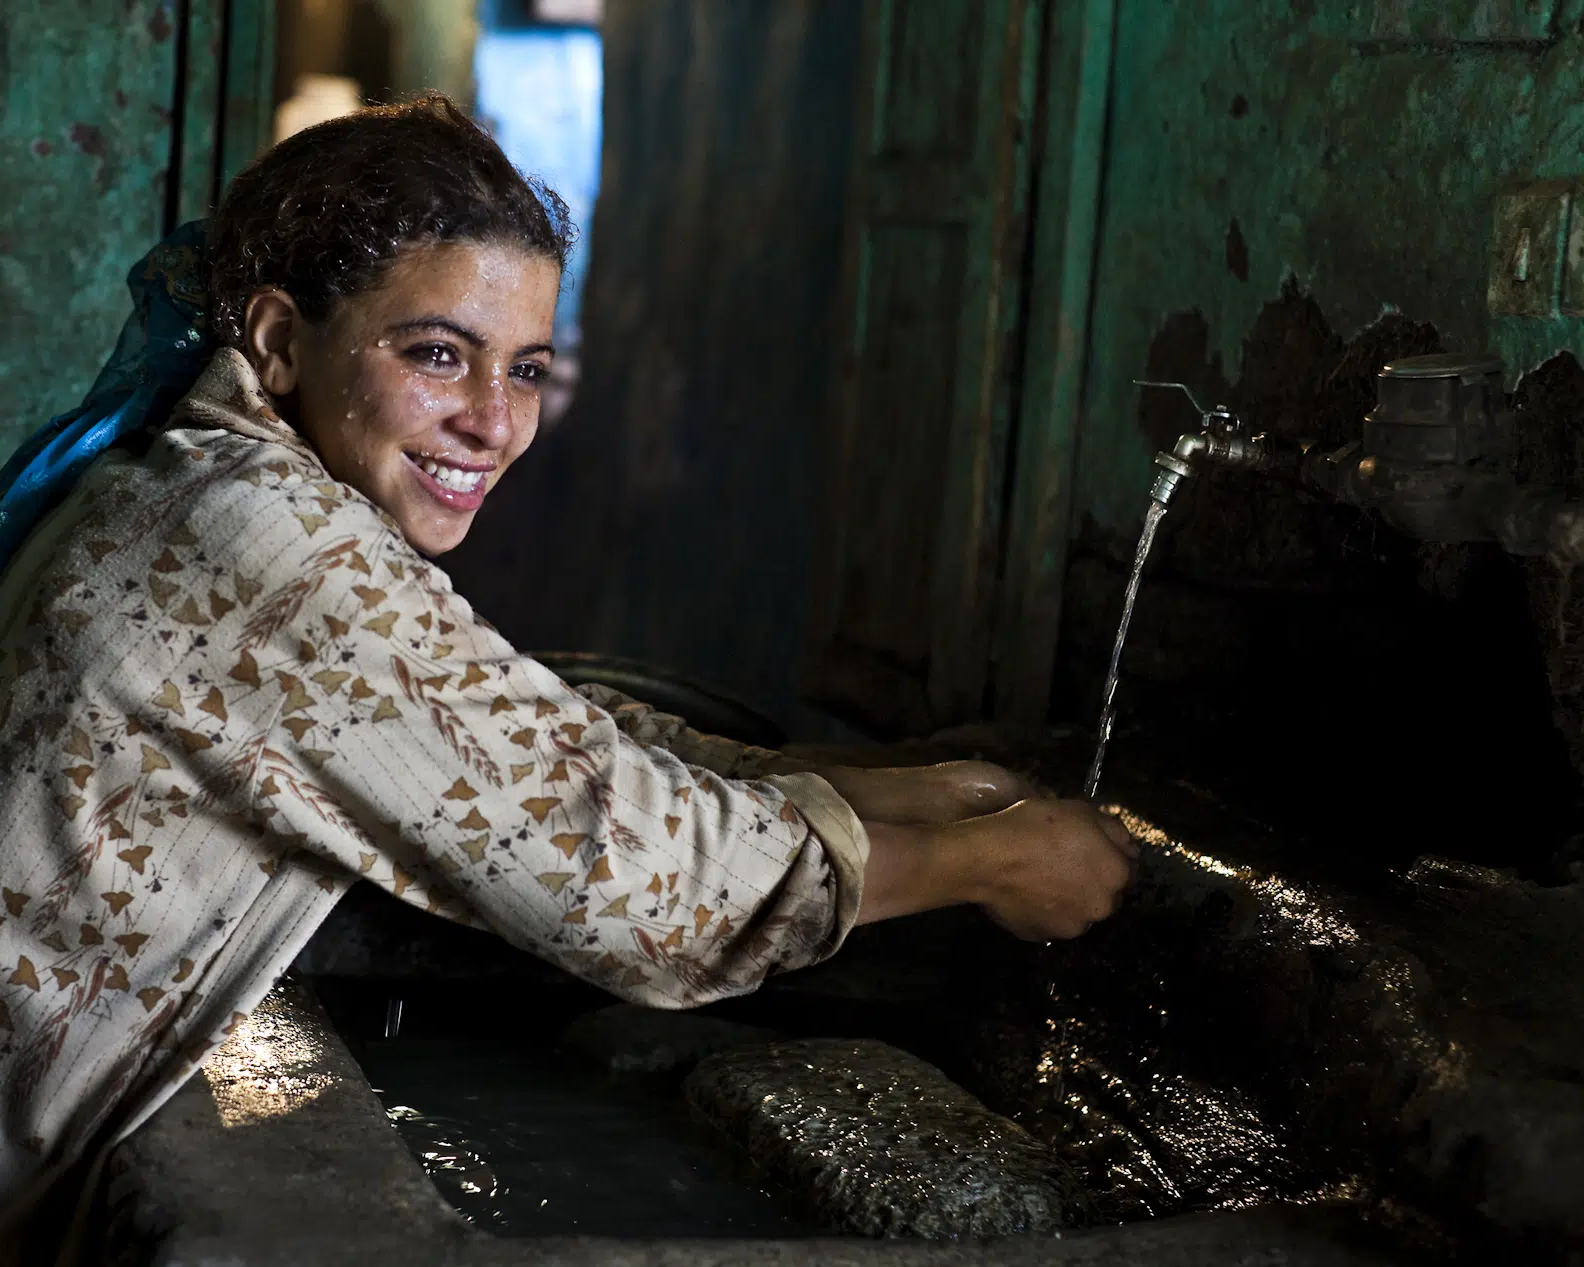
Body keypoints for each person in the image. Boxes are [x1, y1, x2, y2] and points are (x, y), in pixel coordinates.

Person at [0, 96, 1135, 1237]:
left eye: (529, 368)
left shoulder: (195, 473)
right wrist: (986, 863)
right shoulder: (271, 546)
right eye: (438, 355)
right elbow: (640, 883)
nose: (494, 423)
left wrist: (864, 787)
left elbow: (504, 721)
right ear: (283, 340)